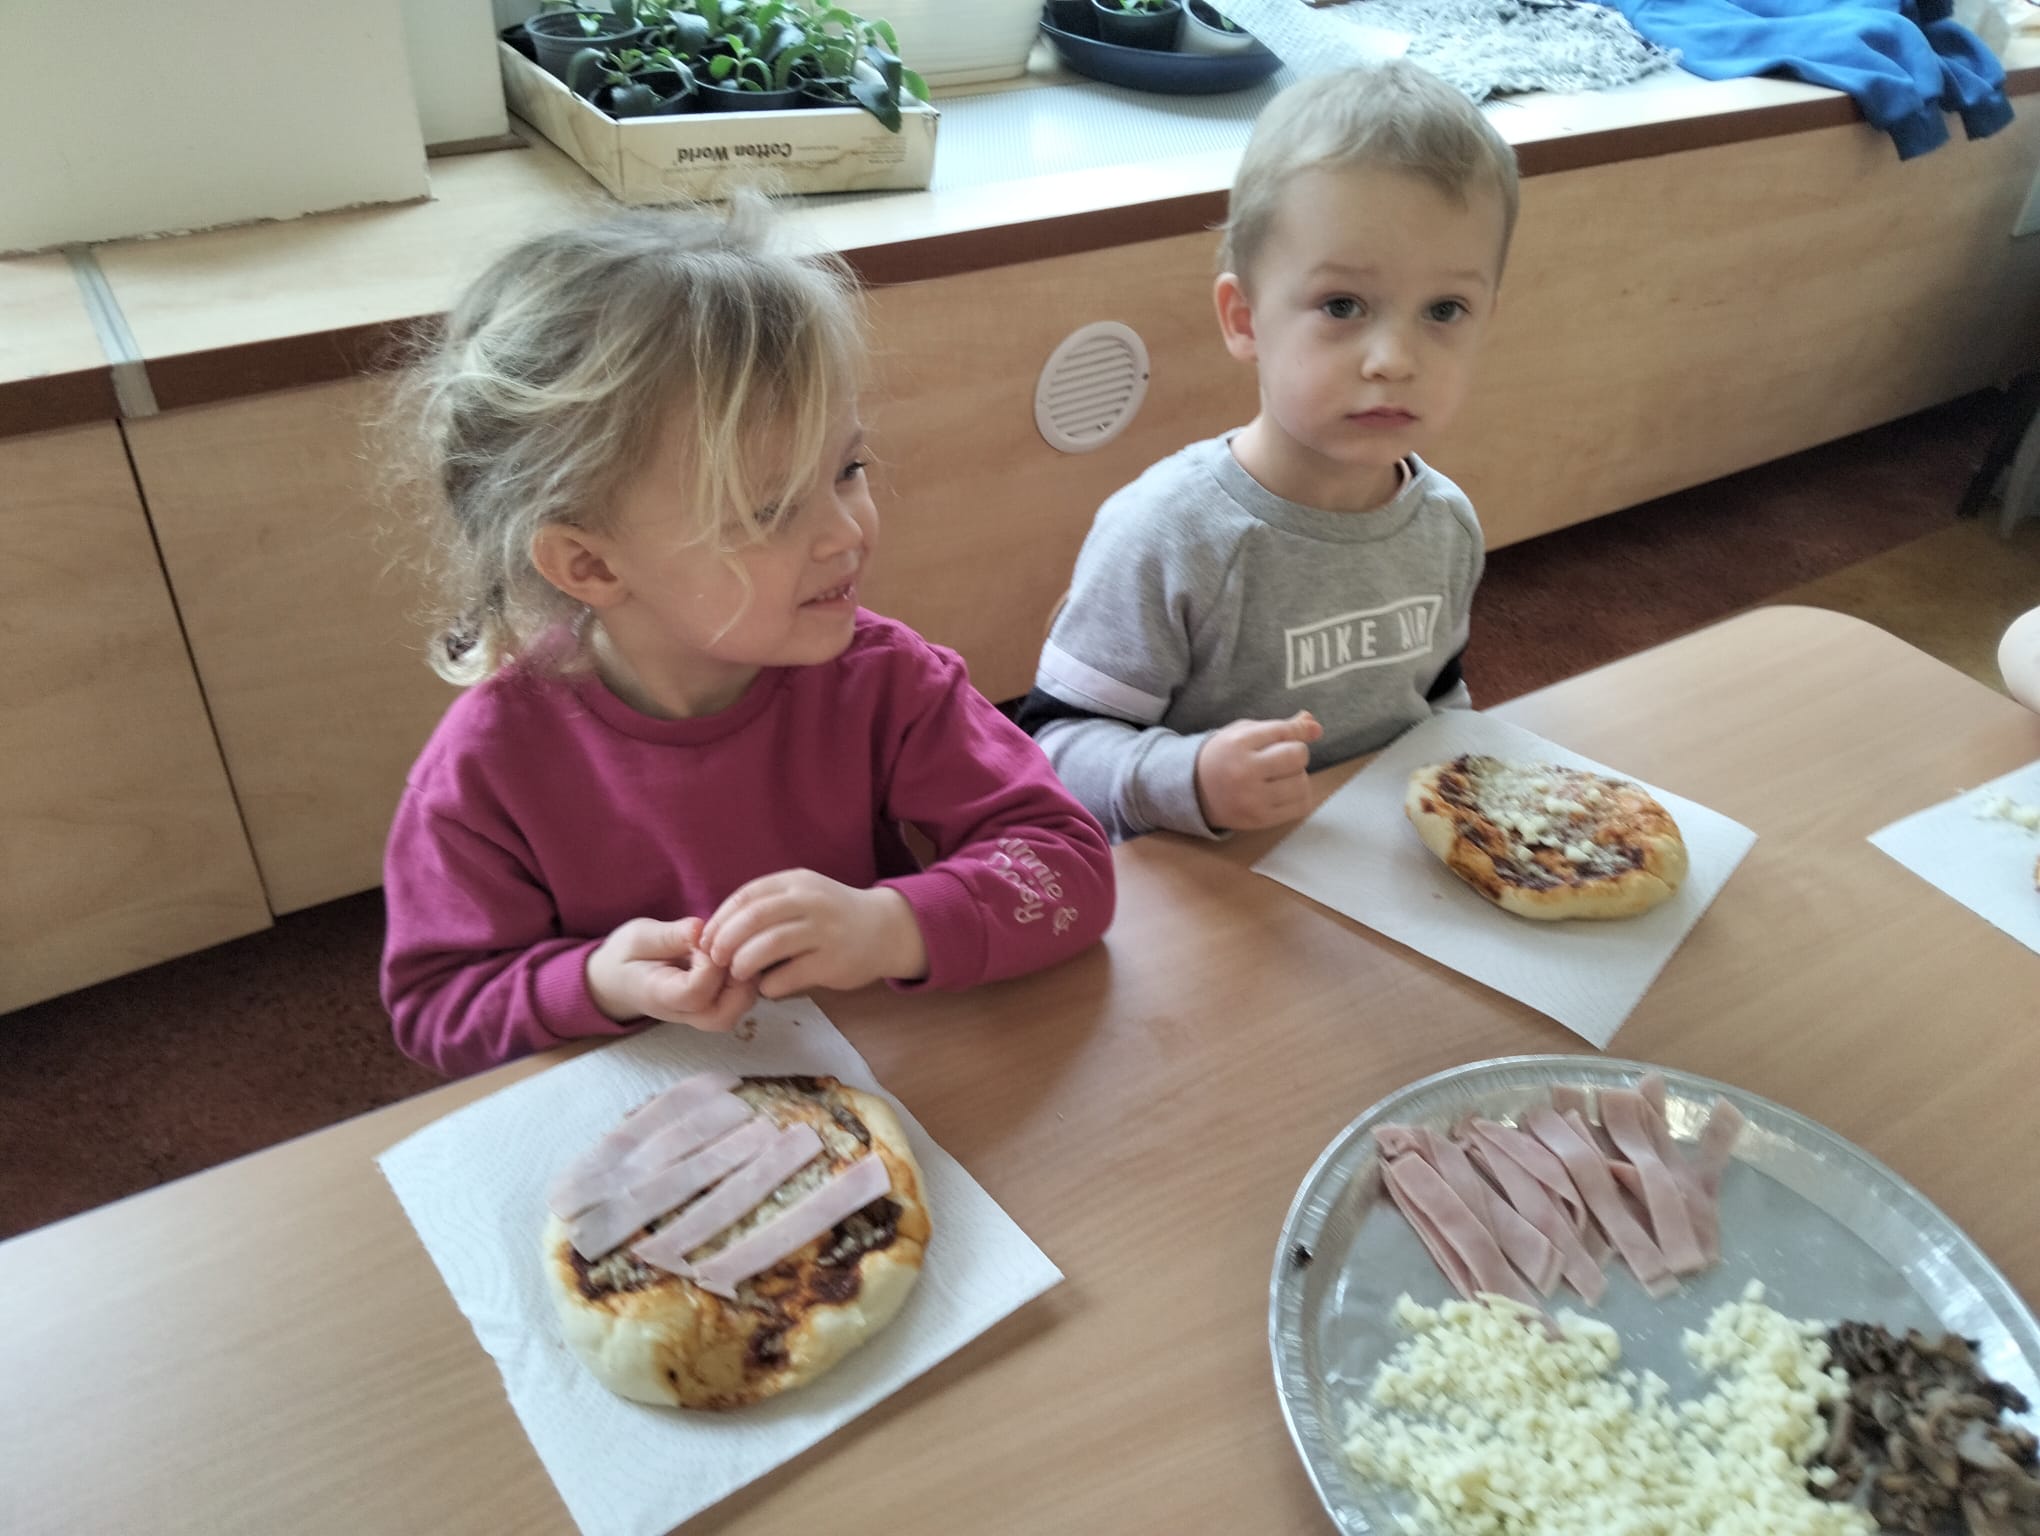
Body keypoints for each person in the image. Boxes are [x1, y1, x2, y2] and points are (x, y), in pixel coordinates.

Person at [380, 202, 1114, 1078]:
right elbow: (438, 1009)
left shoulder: (883, 682)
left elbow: (1071, 867)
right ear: (590, 563)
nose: (847, 531)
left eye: (847, 469)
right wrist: (597, 982)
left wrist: (890, 925)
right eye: (766, 510)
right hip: (656, 1110)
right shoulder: (487, 765)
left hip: (873, 1080)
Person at [1016, 62, 1519, 841]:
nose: (1394, 359)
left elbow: (1439, 705)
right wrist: (1189, 779)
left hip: (1371, 875)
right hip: (1201, 884)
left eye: (1445, 310)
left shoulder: (1447, 525)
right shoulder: (1169, 532)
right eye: (1342, 305)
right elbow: (1051, 748)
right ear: (1244, 319)